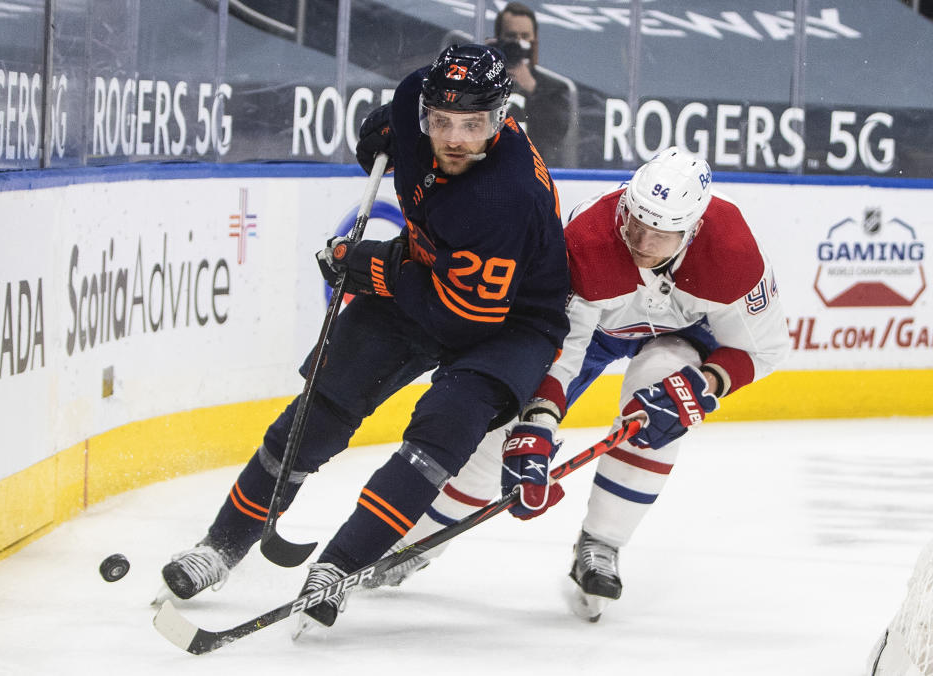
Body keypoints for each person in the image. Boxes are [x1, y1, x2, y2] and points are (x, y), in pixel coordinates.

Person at [156, 43, 570, 634]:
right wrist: (377, 138)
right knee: (320, 409)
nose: (452, 138)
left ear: (501, 118)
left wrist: (373, 267)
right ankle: (220, 547)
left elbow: (462, 318)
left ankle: (339, 566)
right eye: (440, 122)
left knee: (438, 436)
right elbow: (382, 133)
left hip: (505, 322)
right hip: (428, 274)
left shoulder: (508, 198)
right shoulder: (413, 102)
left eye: (472, 126)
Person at [372, 147, 790, 622]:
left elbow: (765, 348)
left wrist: (706, 382)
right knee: (499, 441)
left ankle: (602, 543)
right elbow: (557, 346)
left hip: (682, 334)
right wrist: (537, 421)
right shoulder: (587, 238)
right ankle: (414, 543)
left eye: (663, 232)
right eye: (636, 222)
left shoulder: (732, 251)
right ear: (626, 204)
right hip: (595, 331)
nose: (643, 242)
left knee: (657, 423)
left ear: (692, 227)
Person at [489, 2, 578, 168]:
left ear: (534, 41)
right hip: (491, 166)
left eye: (525, 36)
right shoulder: (484, 80)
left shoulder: (554, 88)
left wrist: (533, 89)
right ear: (498, 39)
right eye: (511, 36)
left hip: (535, 169)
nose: (518, 43)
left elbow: (557, 133)